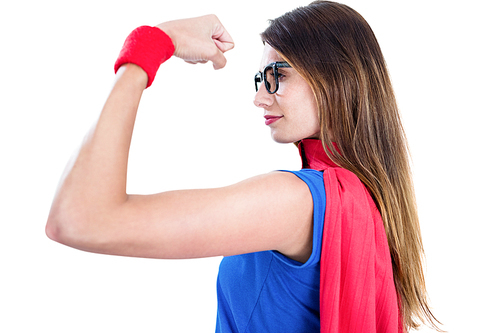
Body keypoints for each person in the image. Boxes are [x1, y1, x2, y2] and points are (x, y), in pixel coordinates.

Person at [46, 1, 441, 332]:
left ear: (336, 79)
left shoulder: (298, 201)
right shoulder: (369, 200)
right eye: (259, 79)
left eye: (278, 76)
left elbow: (80, 218)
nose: (260, 98)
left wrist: (151, 43)